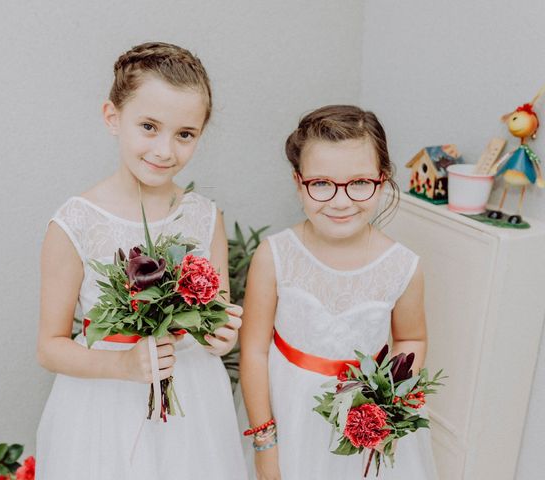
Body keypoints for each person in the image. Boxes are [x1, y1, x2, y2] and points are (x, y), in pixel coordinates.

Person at [36, 42, 246, 480]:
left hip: (192, 404)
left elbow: (215, 323)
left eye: (184, 134)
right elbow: (50, 346)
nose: (165, 150)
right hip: (103, 404)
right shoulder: (76, 222)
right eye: (149, 126)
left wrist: (220, 336)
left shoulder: (205, 217)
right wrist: (123, 365)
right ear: (113, 117)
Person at [239, 105, 437, 479]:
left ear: (383, 178)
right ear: (299, 182)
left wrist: (389, 409)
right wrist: (265, 442)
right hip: (288, 411)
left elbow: (411, 338)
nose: (341, 201)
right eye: (321, 183)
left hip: (364, 419)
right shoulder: (274, 255)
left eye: (360, 183)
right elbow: (254, 350)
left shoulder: (403, 266)